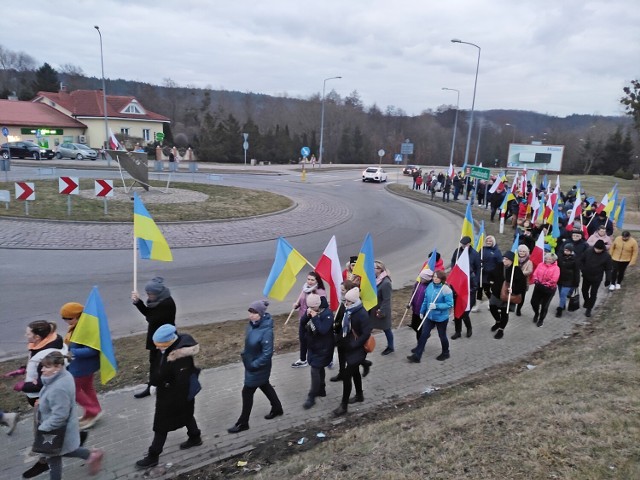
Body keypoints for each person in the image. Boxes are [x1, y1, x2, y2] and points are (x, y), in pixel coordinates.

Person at [136, 324, 202, 468]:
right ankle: (195, 436)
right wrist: (153, 383)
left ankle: (153, 455)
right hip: (173, 395)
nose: (158, 348)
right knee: (186, 415)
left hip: (174, 396)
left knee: (161, 425)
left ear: (169, 342)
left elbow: (179, 381)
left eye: (160, 345)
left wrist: (162, 387)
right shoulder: (168, 349)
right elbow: (160, 369)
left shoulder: (180, 357)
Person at [37, 351, 104, 479]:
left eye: (47, 367)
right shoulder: (64, 376)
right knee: (67, 451)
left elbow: (60, 415)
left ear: (58, 367)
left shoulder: (58, 388)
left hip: (57, 430)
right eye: (43, 366)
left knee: (54, 458)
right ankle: (92, 455)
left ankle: (91, 455)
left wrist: (43, 428)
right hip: (65, 429)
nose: (42, 370)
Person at [14, 320, 68, 479]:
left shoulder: (47, 354)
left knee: (44, 434)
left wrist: (23, 386)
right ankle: (78, 443)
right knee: (47, 433)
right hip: (44, 400)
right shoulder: (44, 346)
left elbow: (44, 382)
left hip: (44, 400)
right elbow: (38, 368)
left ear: (37, 337)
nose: (26, 335)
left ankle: (44, 462)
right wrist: (24, 369)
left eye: (28, 333)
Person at [228, 300, 283, 433]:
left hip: (258, 366)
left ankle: (243, 422)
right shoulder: (252, 325)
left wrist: (254, 365)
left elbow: (267, 353)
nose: (251, 315)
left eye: (255, 313)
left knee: (246, 392)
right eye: (250, 312)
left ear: (262, 314)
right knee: (264, 385)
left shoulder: (266, 331)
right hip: (251, 364)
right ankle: (277, 408)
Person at [60, 302, 103, 430]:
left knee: (73, 391)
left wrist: (71, 352)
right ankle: (91, 413)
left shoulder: (85, 329)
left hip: (82, 367)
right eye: (64, 319)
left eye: (69, 318)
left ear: (79, 316)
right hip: (81, 366)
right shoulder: (77, 326)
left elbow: (93, 350)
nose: (67, 322)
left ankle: (94, 411)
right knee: (87, 388)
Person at [132, 277, 176, 398]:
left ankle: (155, 385)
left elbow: (150, 317)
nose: (148, 296)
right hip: (156, 336)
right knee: (154, 362)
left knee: (158, 363)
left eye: (150, 294)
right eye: (147, 293)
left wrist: (139, 303)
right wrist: (138, 302)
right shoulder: (158, 300)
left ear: (158, 293)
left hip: (164, 339)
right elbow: (150, 314)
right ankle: (154, 382)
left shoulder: (166, 303)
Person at [333, 287, 372, 416]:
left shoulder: (362, 313)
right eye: (346, 301)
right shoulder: (348, 310)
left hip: (358, 349)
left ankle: (343, 406)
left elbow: (366, 333)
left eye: (349, 301)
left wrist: (355, 345)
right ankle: (359, 395)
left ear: (355, 301)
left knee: (346, 376)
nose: (346, 303)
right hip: (348, 346)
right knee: (355, 372)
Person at [407, 270, 454, 363]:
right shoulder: (430, 286)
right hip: (429, 316)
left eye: (437, 277)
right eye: (434, 277)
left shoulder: (446, 290)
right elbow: (425, 300)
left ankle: (446, 352)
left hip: (441, 318)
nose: (435, 279)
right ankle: (417, 355)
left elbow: (450, 304)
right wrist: (422, 311)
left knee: (442, 336)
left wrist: (437, 306)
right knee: (423, 335)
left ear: (442, 279)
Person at [302, 294, 335, 409]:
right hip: (314, 347)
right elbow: (302, 323)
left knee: (315, 370)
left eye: (312, 307)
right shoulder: (311, 310)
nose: (310, 309)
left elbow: (323, 330)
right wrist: (307, 316)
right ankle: (321, 389)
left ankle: (312, 396)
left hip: (324, 348)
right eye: (308, 307)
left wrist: (315, 317)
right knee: (319, 368)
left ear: (318, 305)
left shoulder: (327, 314)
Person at [488, 251, 527, 339]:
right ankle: (498, 322)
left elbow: (522, 284)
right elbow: (492, 274)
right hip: (496, 293)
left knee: (504, 313)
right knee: (492, 307)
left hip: (507, 295)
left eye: (506, 259)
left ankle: (501, 329)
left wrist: (513, 289)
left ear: (512, 261)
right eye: (503, 258)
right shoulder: (499, 265)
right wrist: (491, 281)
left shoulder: (516, 270)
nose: (504, 261)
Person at [292, 272, 326, 367]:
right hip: (303, 318)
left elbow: (323, 307)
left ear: (317, 281)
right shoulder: (305, 288)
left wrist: (314, 313)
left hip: (313, 320)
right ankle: (303, 359)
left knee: (313, 340)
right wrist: (296, 305)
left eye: (312, 280)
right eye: (308, 279)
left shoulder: (320, 292)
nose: (310, 282)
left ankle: (321, 357)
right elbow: (301, 300)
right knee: (302, 339)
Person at [450, 236, 481, 339]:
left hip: (469, 288)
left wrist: (473, 285)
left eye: (465, 244)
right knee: (457, 312)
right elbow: (453, 263)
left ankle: (469, 328)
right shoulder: (457, 251)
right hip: (458, 286)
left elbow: (478, 270)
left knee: (465, 313)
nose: (463, 246)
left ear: (469, 244)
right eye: (462, 244)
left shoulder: (475, 254)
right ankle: (457, 332)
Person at [330, 280, 358, 383]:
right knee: (341, 355)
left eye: (343, 290)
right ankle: (341, 373)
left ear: (349, 291)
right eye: (340, 289)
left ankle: (362, 364)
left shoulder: (351, 304)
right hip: (340, 334)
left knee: (350, 357)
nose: (341, 292)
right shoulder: (343, 301)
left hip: (347, 336)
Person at [578, 239, 612, 317]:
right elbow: (581, 260)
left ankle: (589, 309)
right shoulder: (588, 251)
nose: (597, 250)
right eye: (596, 248)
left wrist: (608, 279)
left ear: (603, 249)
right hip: (586, 275)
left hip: (597, 278)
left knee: (593, 293)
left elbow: (608, 268)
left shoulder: (606, 256)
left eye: (599, 249)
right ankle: (587, 301)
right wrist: (583, 269)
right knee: (584, 290)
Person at [530, 253, 560, 327]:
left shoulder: (556, 268)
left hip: (549, 289)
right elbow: (535, 273)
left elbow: (554, 279)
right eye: (547, 258)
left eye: (550, 259)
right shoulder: (540, 264)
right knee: (533, 302)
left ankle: (541, 320)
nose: (548, 260)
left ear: (553, 260)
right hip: (538, 287)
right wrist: (536, 280)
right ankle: (536, 313)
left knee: (544, 306)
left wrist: (546, 284)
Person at [371, 260, 394, 355]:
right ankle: (364, 345)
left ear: (380, 270)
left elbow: (386, 299)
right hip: (374, 309)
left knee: (386, 329)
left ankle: (390, 347)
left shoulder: (385, 283)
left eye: (374, 268)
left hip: (381, 310)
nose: (372, 270)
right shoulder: (376, 279)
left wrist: (382, 312)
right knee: (368, 326)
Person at [555, 243, 581, 317]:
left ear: (571, 251)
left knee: (563, 294)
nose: (566, 252)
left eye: (568, 250)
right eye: (565, 250)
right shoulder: (560, 257)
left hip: (569, 280)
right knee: (560, 294)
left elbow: (577, 272)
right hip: (560, 279)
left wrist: (576, 282)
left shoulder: (575, 259)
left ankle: (559, 309)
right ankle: (562, 305)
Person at [408, 269, 433, 341]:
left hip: (423, 311)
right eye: (420, 277)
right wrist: (410, 303)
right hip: (415, 309)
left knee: (419, 329)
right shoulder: (418, 283)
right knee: (414, 325)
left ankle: (420, 345)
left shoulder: (430, 287)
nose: (420, 279)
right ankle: (425, 334)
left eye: (422, 278)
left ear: (427, 279)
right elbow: (413, 294)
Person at [478, 235, 502, 301]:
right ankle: (477, 305)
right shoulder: (482, 249)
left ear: (493, 242)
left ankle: (491, 301)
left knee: (486, 289)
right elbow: (478, 259)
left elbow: (500, 263)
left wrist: (496, 273)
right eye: (487, 241)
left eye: (490, 241)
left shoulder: (497, 251)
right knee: (479, 288)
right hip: (482, 273)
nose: (488, 242)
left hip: (490, 275)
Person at [515, 245, 534, 316]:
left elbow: (530, 271)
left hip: (523, 282)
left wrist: (520, 273)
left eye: (523, 251)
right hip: (514, 281)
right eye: (520, 251)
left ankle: (518, 309)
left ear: (526, 252)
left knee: (522, 297)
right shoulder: (515, 259)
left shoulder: (529, 262)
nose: (522, 253)